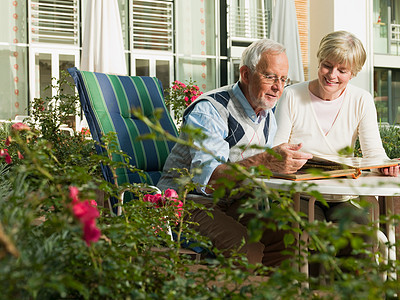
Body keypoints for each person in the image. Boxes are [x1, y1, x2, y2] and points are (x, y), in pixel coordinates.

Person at [157, 38, 312, 267]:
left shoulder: (267, 114)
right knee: (244, 247)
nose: (278, 87)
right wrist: (266, 161)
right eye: (270, 76)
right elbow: (209, 182)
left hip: (235, 202)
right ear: (246, 74)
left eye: (283, 79)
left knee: (292, 239)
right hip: (189, 203)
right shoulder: (210, 110)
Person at [273, 31, 399, 250]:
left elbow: (374, 155)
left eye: (342, 70)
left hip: (342, 198)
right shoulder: (291, 95)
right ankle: (312, 285)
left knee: (363, 240)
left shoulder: (362, 100)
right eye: (327, 65)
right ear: (319, 61)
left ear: (353, 73)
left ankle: (353, 286)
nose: (332, 75)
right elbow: (275, 151)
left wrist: (386, 167)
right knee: (312, 237)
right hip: (298, 195)